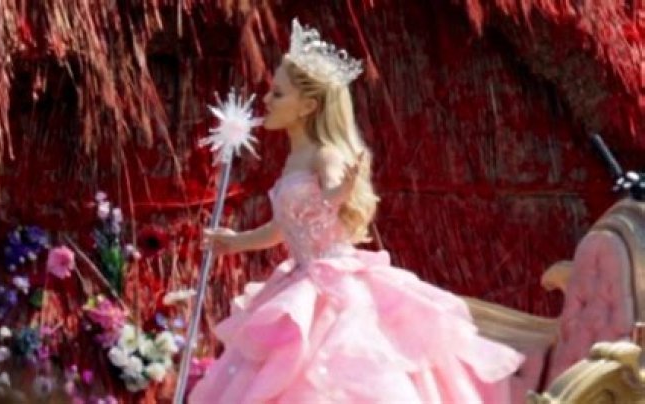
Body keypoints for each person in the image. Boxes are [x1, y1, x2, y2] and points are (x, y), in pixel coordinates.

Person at [189, 18, 523, 404]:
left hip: (332, 283)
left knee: (335, 367)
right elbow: (282, 227)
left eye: (278, 94)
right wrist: (236, 242)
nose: (266, 100)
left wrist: (339, 190)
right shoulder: (294, 160)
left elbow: (331, 193)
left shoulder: (325, 155)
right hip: (300, 276)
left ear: (308, 106)